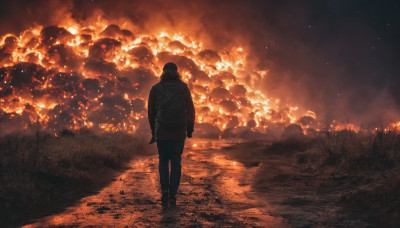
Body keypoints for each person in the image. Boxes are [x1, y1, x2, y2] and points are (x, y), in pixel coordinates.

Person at [148, 62, 195, 205]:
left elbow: (151, 113)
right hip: (179, 131)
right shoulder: (183, 88)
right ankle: (173, 194)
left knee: (163, 160)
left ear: (163, 72)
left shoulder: (156, 88)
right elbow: (191, 110)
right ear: (177, 72)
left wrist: (153, 132)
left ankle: (164, 191)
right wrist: (190, 129)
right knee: (176, 161)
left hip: (162, 131)